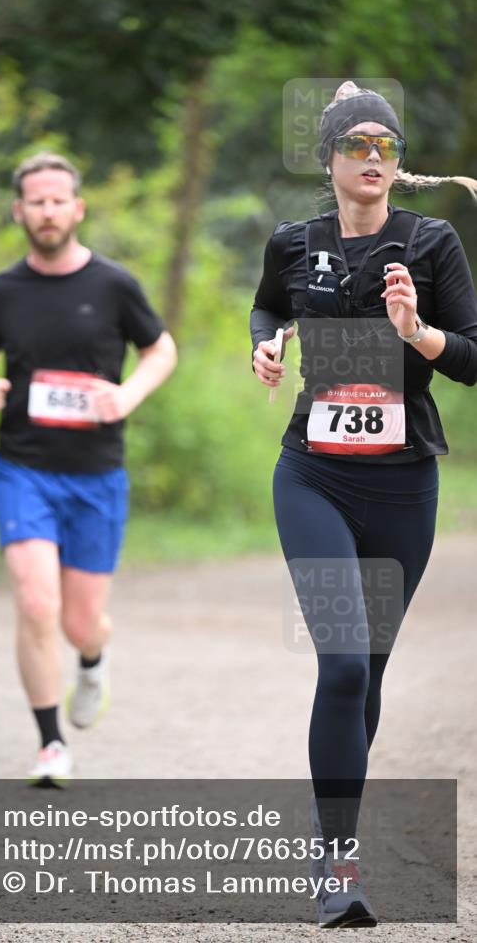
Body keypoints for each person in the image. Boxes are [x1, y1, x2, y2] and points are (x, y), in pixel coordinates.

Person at [250, 82, 477, 928]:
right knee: (342, 663)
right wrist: (265, 342)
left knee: (368, 670)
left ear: (397, 162)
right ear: (330, 159)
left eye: (386, 145)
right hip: (312, 475)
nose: (373, 157)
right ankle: (337, 863)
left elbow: (472, 356)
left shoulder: (430, 241)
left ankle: (331, 828)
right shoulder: (293, 241)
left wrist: (416, 331)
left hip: (403, 481)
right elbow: (267, 303)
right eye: (357, 144)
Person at [0, 151, 176, 785]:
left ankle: (93, 657)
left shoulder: (113, 285)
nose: (47, 211)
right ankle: (51, 744)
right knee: (35, 603)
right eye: (37, 201)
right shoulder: (2, 291)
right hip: (22, 469)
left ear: (77, 209)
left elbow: (161, 350)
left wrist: (127, 396)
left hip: (96, 474)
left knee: (80, 622)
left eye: (58, 200)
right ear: (19, 211)